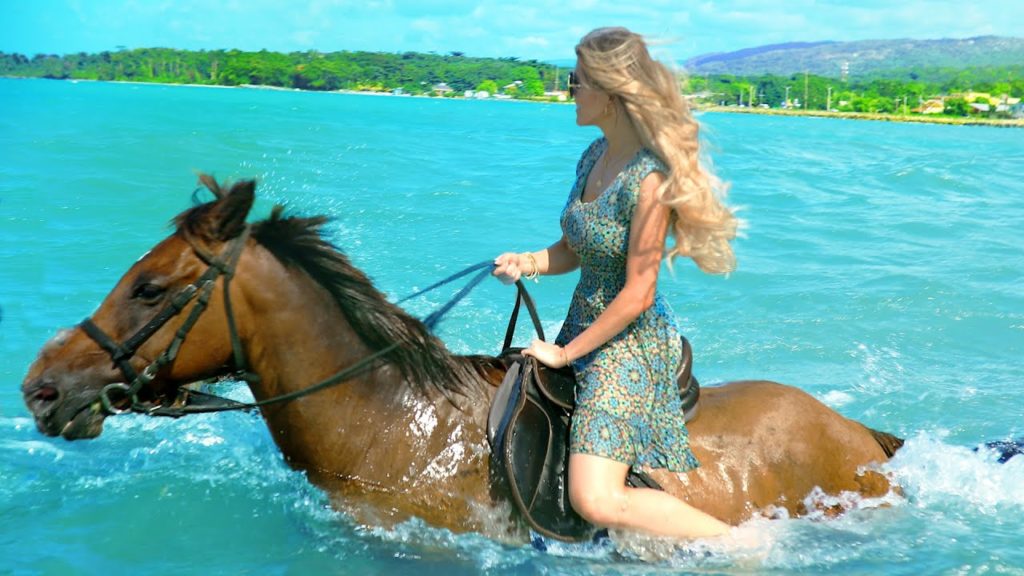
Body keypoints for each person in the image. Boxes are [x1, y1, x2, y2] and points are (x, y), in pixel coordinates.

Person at [492, 27, 740, 540]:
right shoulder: (592, 156)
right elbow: (571, 249)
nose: (570, 92)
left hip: (629, 346)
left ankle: (741, 545)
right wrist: (527, 261)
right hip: (584, 324)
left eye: (575, 81)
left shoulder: (650, 179)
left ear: (607, 91)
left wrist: (563, 355)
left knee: (594, 498)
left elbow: (638, 293)